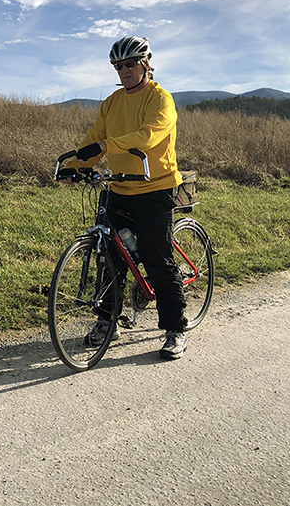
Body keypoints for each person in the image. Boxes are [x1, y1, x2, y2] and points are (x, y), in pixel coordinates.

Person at [60, 36, 189, 359]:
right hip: (118, 187)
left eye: (131, 64)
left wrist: (106, 147)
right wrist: (76, 166)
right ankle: (107, 322)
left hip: (154, 188)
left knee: (158, 260)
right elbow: (94, 139)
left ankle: (175, 329)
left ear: (146, 65)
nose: (124, 70)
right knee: (108, 257)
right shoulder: (112, 103)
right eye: (119, 66)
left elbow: (149, 135)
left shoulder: (160, 98)